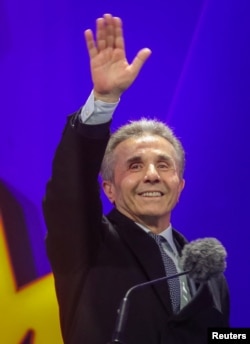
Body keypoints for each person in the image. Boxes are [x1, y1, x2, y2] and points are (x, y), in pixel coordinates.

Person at [43, 13, 230, 344]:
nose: (152, 176)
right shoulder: (87, 245)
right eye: (134, 165)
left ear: (180, 185)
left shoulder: (207, 272)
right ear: (109, 189)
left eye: (164, 164)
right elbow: (67, 192)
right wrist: (103, 102)